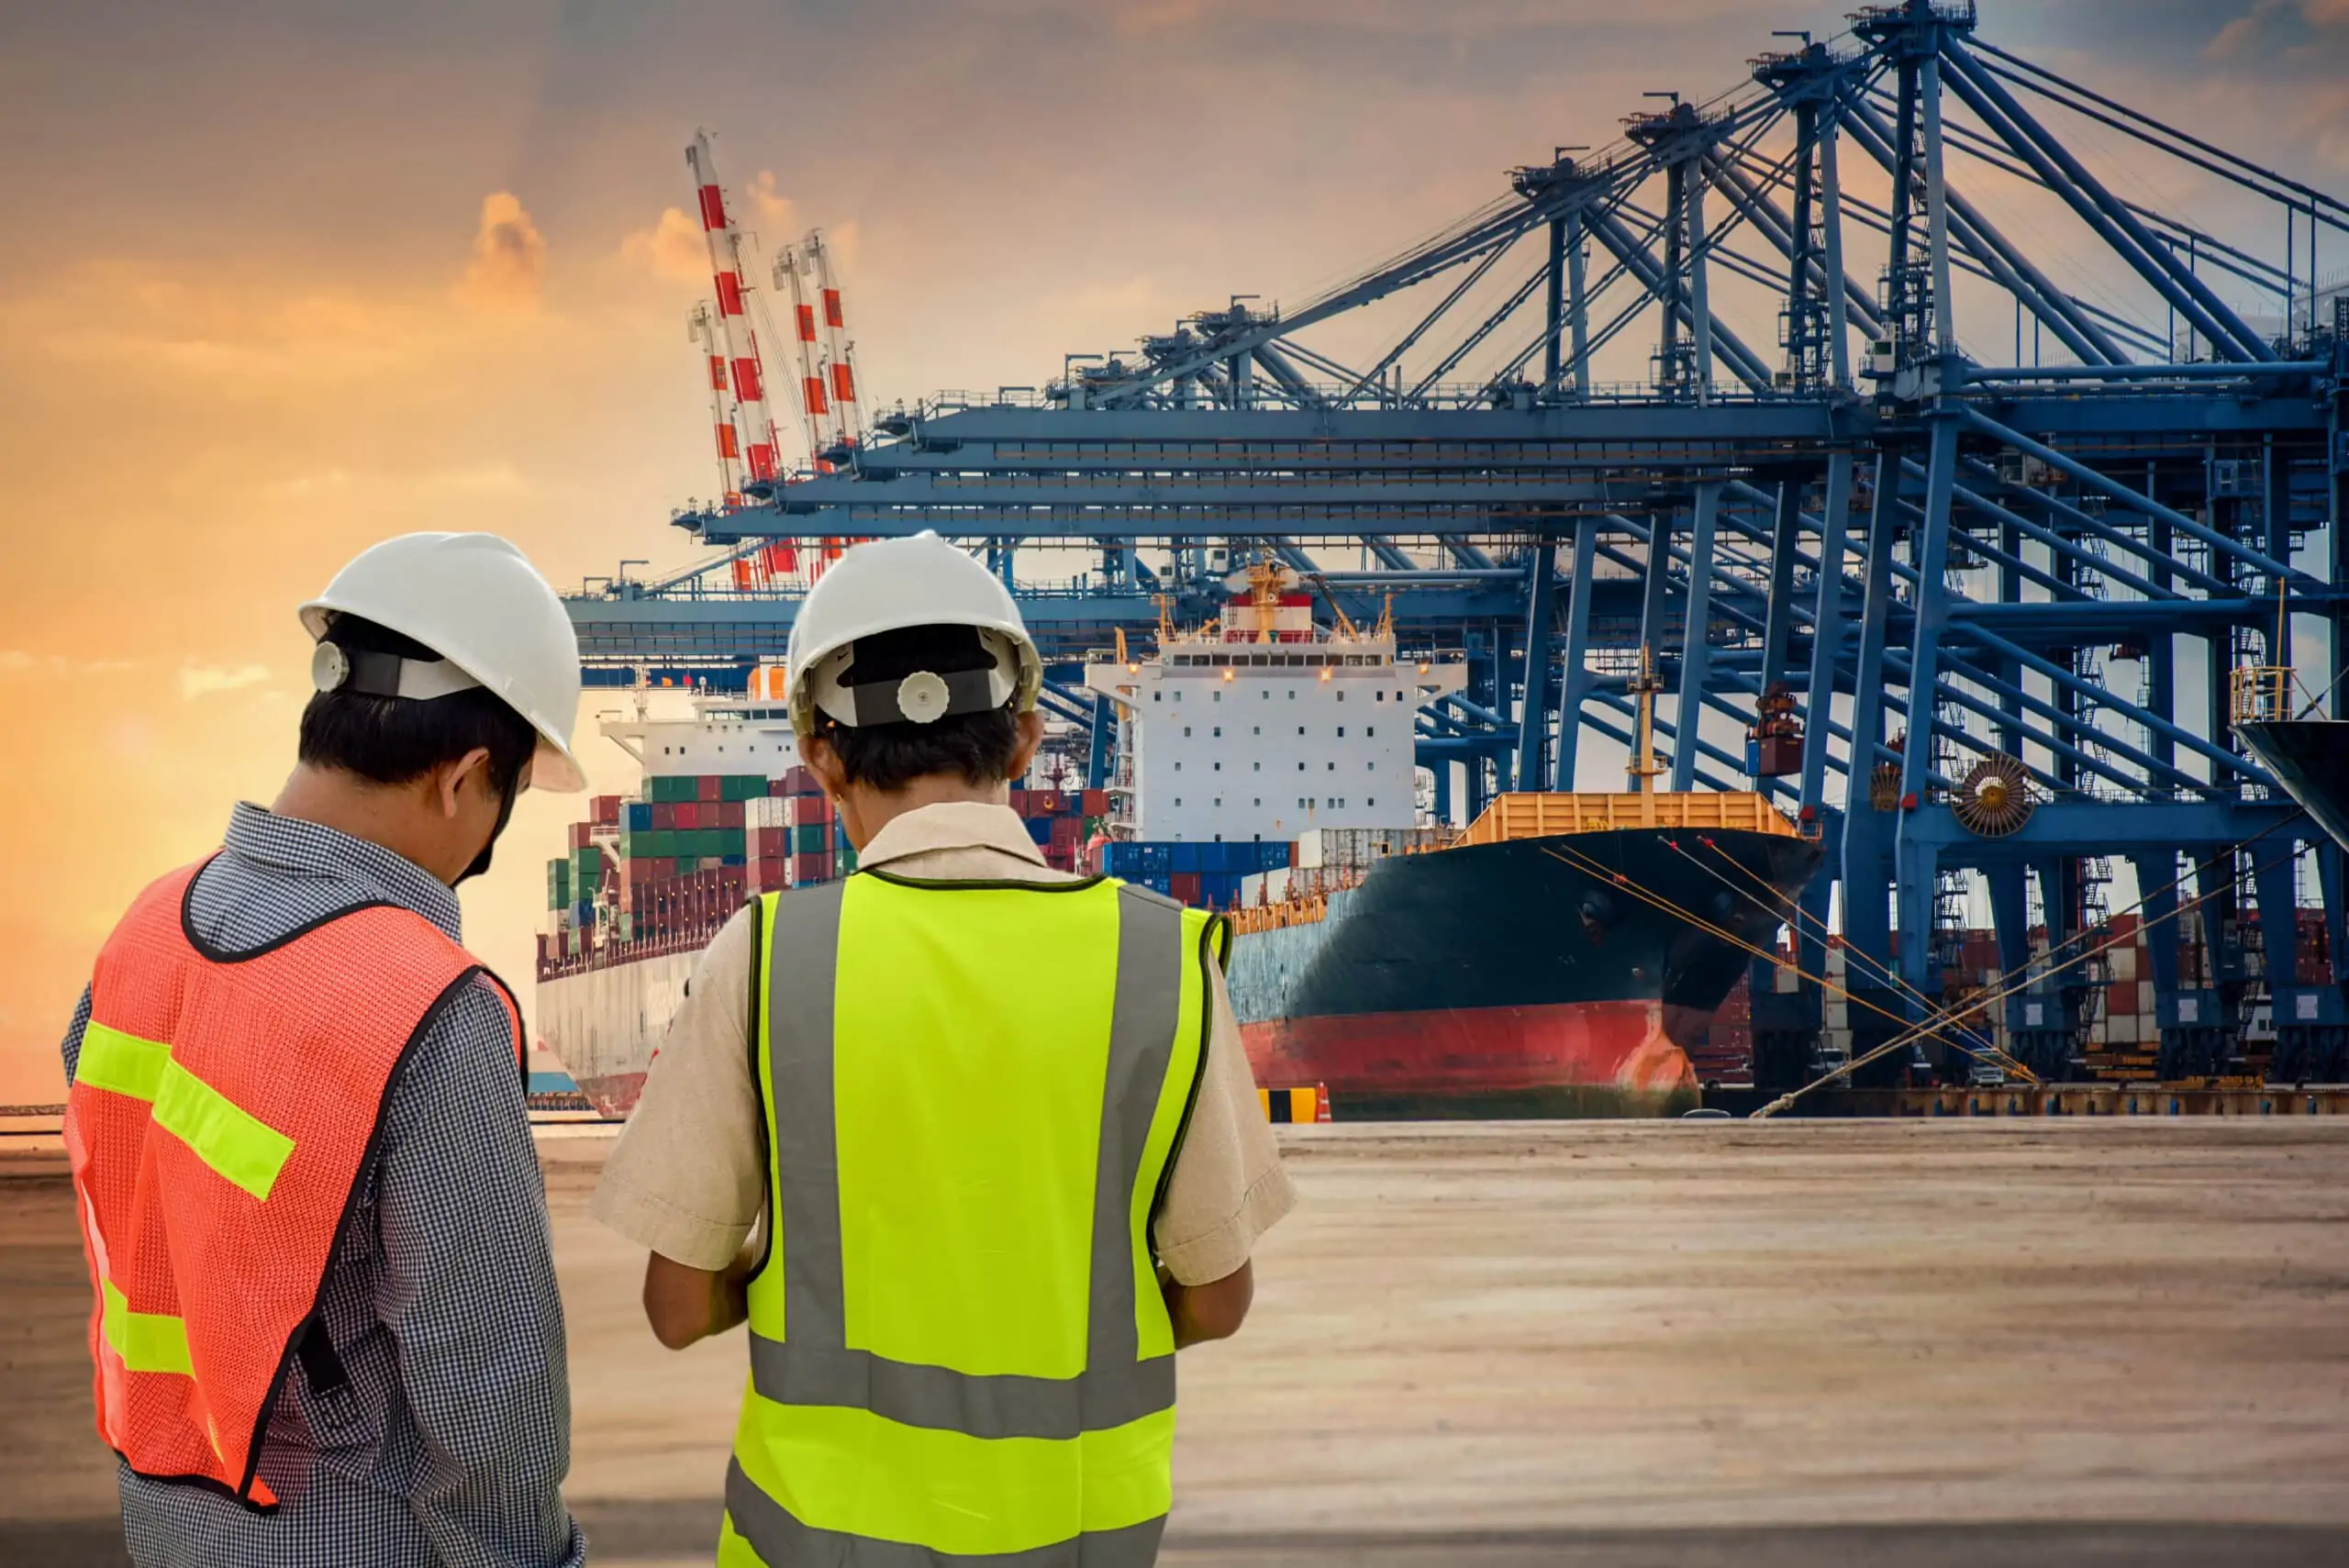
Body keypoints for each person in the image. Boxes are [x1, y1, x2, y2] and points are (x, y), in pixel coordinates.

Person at [592, 531, 1295, 1565]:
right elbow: (1217, 1297)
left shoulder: (771, 953)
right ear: (1024, 741)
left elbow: (676, 1303)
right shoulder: (1164, 956)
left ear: (821, 752)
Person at [59, 532, 589, 1568]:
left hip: (168, 1512)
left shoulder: (148, 925)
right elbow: (486, 1377)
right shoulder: (430, 999)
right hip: (360, 1536)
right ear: (468, 776)